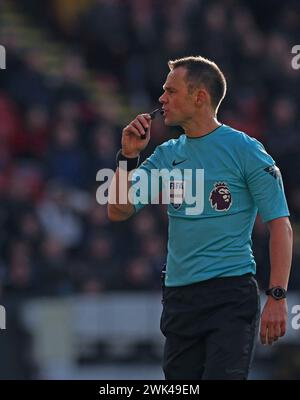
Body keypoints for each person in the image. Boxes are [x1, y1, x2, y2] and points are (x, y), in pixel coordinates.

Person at [107, 56, 293, 380]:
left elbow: (280, 224)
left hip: (230, 296)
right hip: (180, 300)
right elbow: (118, 210)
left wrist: (277, 295)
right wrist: (128, 157)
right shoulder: (166, 154)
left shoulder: (245, 150)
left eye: (171, 91)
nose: (161, 99)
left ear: (200, 97)